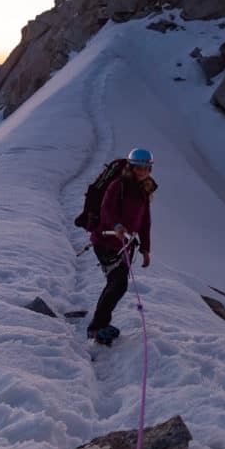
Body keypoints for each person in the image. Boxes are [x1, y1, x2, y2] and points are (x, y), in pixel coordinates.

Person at [86, 147, 157, 343]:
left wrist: (146, 249)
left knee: (116, 284)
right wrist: (117, 226)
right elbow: (106, 209)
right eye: (138, 168)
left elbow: (145, 222)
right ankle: (97, 327)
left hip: (125, 245)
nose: (142, 171)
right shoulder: (118, 185)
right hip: (105, 240)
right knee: (118, 283)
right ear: (130, 167)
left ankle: (99, 324)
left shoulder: (144, 190)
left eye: (145, 168)